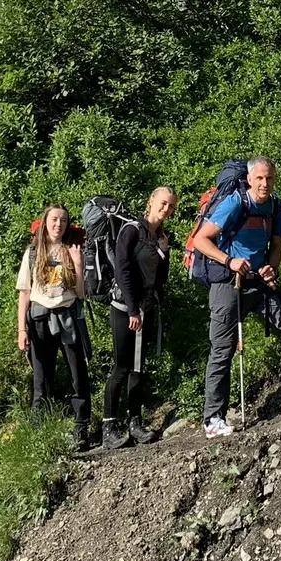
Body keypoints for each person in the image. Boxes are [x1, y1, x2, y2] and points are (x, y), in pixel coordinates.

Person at [192, 157, 281, 436]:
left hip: (259, 283)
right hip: (229, 284)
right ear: (250, 179)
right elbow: (201, 240)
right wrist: (229, 261)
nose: (265, 184)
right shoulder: (235, 203)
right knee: (222, 350)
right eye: (260, 178)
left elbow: (276, 245)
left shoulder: (275, 206)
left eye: (269, 178)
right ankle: (213, 419)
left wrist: (271, 267)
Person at [103, 186, 174, 449]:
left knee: (138, 368)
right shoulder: (131, 230)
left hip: (146, 309)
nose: (166, 209)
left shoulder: (161, 237)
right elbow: (122, 270)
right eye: (163, 203)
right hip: (124, 308)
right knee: (121, 368)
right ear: (151, 202)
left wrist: (164, 252)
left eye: (170, 206)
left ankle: (135, 422)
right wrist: (133, 309)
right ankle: (109, 426)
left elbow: (161, 278)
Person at [17, 204, 92, 449]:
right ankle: (41, 433)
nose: (58, 224)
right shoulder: (32, 253)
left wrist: (78, 265)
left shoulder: (72, 250)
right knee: (41, 379)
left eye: (63, 220)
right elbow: (24, 294)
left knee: (77, 374)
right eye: (54, 219)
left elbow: (80, 294)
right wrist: (21, 330)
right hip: (39, 319)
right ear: (45, 222)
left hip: (68, 315)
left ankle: (81, 427)